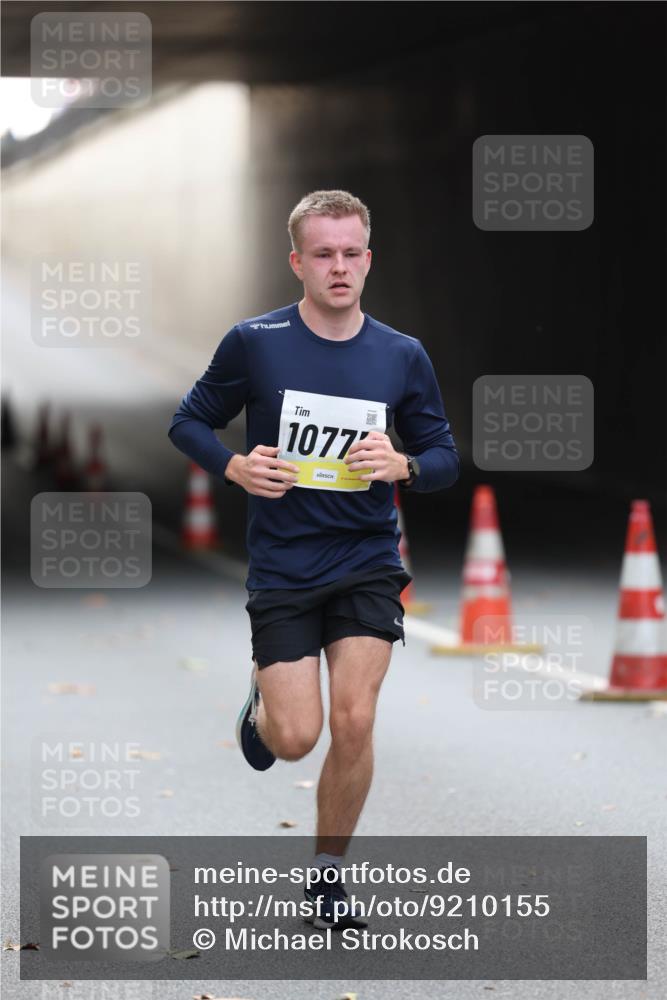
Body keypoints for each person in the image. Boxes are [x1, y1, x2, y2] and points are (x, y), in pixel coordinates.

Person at [168, 190, 459, 927]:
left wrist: (404, 466)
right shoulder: (256, 342)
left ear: (369, 259)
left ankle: (328, 879)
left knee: (354, 720)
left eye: (350, 252)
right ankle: (262, 705)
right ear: (297, 261)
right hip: (284, 564)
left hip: (365, 557)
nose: (338, 266)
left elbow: (444, 456)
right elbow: (188, 421)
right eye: (322, 253)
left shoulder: (401, 355)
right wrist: (234, 468)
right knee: (295, 739)